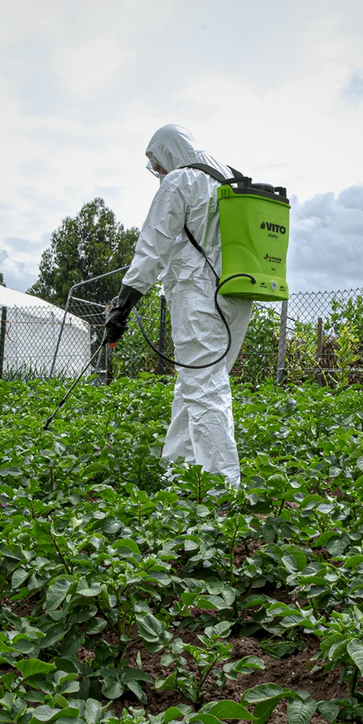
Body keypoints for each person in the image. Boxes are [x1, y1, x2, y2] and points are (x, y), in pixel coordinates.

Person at [104, 125, 252, 488]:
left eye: (156, 164)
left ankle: (223, 489)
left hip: (199, 296)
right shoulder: (228, 178)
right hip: (239, 296)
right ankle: (179, 474)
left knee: (203, 387)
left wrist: (122, 306)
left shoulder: (181, 181)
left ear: (168, 154)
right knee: (195, 383)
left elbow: (152, 247)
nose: (157, 172)